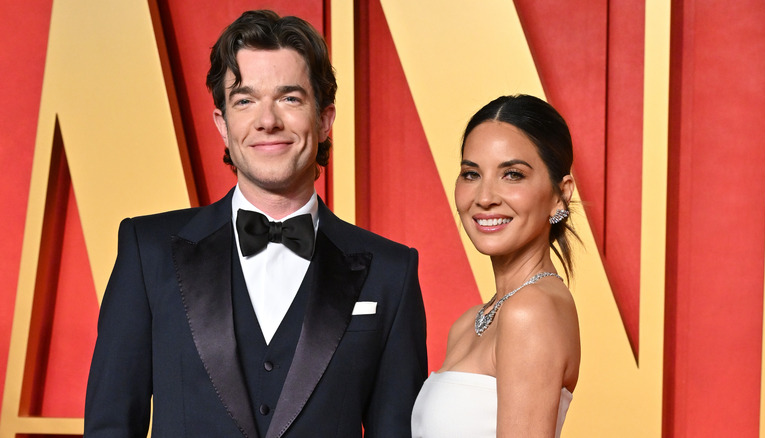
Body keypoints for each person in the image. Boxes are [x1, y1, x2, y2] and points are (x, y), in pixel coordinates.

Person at [85, 10, 427, 438]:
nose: (267, 121)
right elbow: (110, 427)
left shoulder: (390, 271)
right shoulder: (147, 250)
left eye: (289, 98)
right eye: (245, 100)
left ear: (324, 120)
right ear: (222, 125)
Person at [411, 94, 580, 437]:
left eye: (512, 174)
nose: (485, 197)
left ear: (560, 194)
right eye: (471, 174)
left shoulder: (531, 311)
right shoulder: (468, 324)